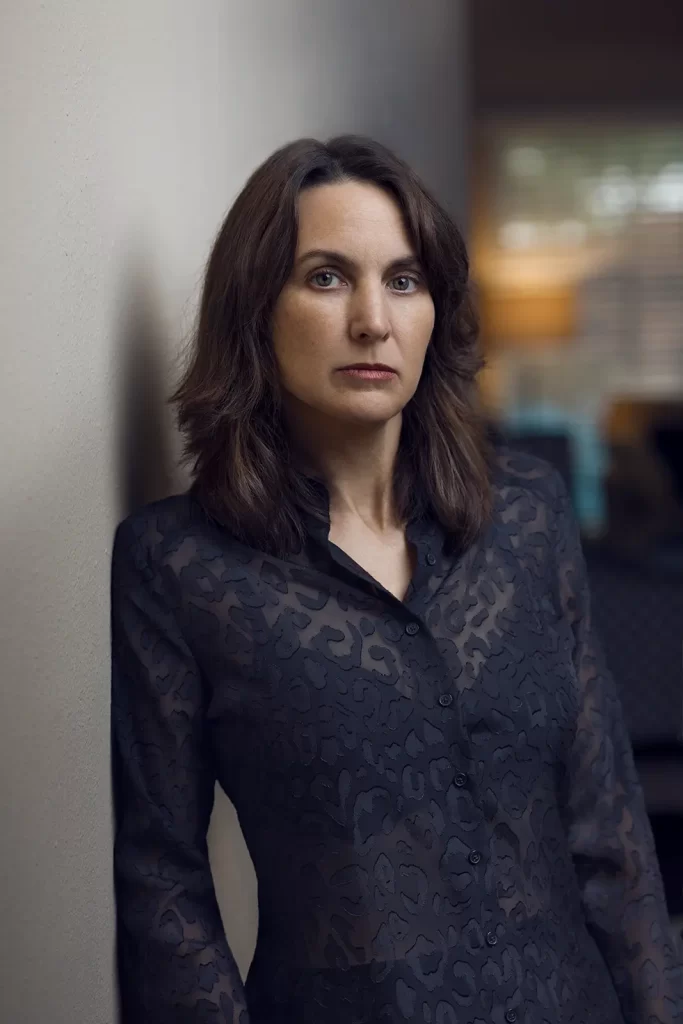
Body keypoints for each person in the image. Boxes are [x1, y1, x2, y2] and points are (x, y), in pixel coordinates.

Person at [110, 135, 682, 1024]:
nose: (372, 320)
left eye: (404, 280)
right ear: (255, 309)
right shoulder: (178, 565)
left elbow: (608, 831)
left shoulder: (526, 515)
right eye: (326, 277)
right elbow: (163, 884)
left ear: (435, 312)